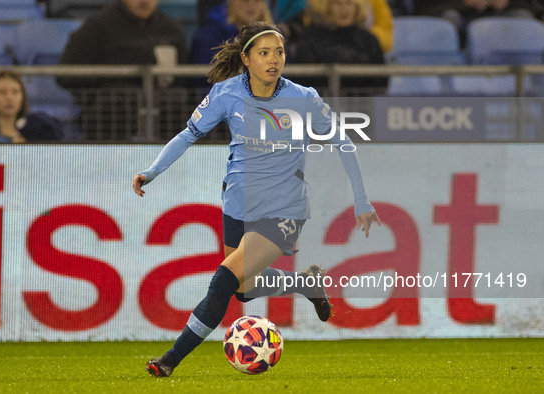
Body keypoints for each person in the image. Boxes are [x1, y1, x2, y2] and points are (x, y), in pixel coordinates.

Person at [133, 21, 381, 377]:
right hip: (238, 203)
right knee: (244, 290)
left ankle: (171, 359)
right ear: (246, 58)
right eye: (264, 52)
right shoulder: (226, 94)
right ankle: (305, 283)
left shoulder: (304, 98)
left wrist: (361, 200)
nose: (273, 59)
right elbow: (188, 135)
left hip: (285, 209)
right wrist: (152, 171)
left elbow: (343, 142)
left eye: (279, 52)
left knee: (223, 279)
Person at [57, 0, 187, 141]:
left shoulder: (171, 29)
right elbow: (66, 74)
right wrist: (107, 83)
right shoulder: (97, 26)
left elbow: (184, 77)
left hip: (164, 115)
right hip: (111, 117)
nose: (144, 1)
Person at [293, 0, 388, 91]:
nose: (344, 9)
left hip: (362, 104)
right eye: (337, 3)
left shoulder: (368, 40)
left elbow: (382, 79)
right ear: (327, 6)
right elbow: (303, 80)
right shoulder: (311, 37)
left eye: (349, 2)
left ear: (357, 6)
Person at [414, 0, 537, 47]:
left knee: (523, 16)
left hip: (497, 21)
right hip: (459, 28)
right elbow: (422, 11)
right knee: (450, 19)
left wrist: (507, 2)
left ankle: (528, 78)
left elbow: (532, 8)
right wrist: (465, 3)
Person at [190, 0, 273, 64]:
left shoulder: (275, 36)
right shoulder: (209, 35)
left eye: (257, 0)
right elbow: (205, 78)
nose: (251, 4)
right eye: (244, 0)